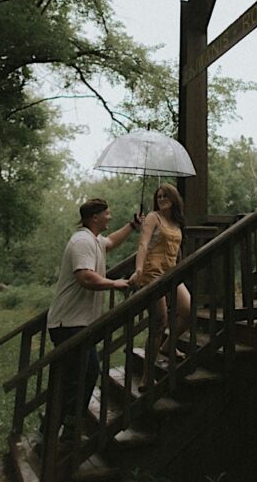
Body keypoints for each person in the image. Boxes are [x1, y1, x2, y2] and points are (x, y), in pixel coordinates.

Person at [45, 198, 139, 441]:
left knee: (82, 374)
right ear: (95, 217)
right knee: (79, 376)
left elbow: (110, 243)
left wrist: (132, 226)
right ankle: (56, 432)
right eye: (107, 213)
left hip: (77, 323)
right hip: (68, 323)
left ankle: (64, 428)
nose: (110, 216)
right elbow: (85, 277)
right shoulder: (82, 241)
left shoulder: (94, 240)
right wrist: (114, 283)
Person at [129, 183, 191, 376]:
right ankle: (147, 375)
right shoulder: (152, 217)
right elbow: (143, 244)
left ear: (174, 199)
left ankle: (167, 346)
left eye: (165, 196)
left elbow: (176, 248)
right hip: (152, 273)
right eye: (159, 196)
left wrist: (180, 267)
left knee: (187, 310)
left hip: (170, 272)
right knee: (159, 322)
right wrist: (138, 269)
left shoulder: (177, 222)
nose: (162, 199)